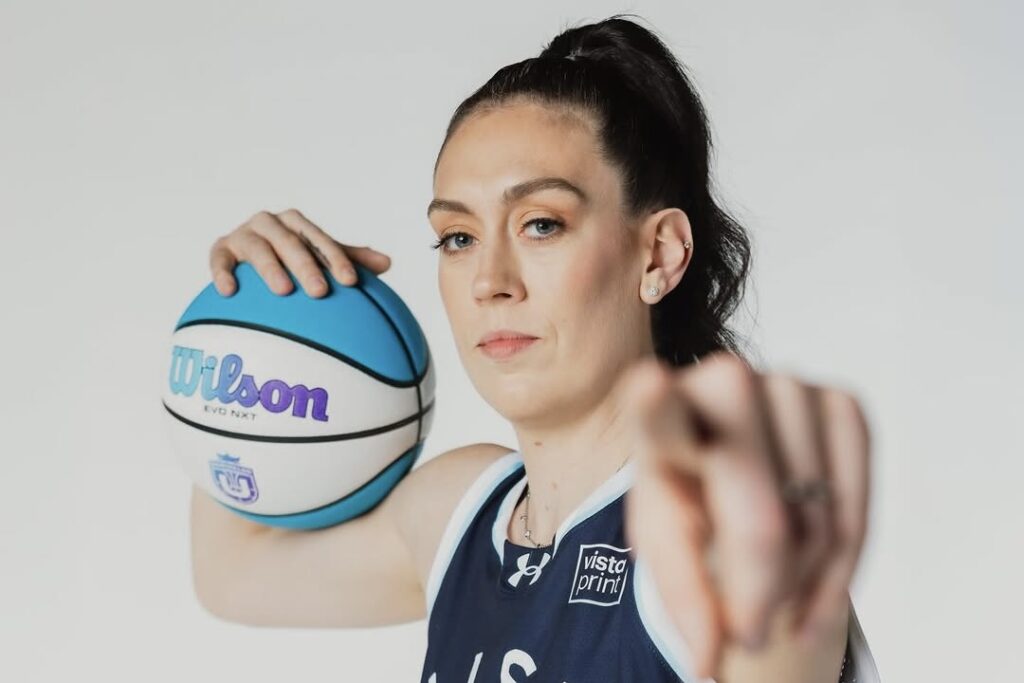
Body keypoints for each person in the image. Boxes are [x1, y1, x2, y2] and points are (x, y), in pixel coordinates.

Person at [190, 14, 881, 683]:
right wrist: (254, 333)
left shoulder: (720, 535)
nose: (490, 281)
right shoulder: (461, 512)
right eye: (458, 237)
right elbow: (232, 575)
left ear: (659, 254)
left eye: (541, 224)